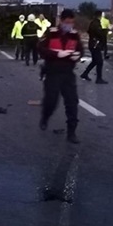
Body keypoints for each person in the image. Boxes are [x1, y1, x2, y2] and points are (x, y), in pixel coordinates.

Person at [39, 9, 84, 144]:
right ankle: (45, 117)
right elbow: (40, 48)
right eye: (66, 22)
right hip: (52, 73)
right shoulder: (51, 32)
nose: (69, 25)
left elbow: (80, 50)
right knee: (51, 101)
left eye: (71, 23)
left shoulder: (74, 35)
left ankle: (72, 132)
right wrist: (56, 54)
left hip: (68, 74)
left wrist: (78, 55)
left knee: (72, 103)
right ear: (61, 21)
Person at [80, 11, 108, 84]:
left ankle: (85, 74)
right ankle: (98, 79)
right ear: (100, 16)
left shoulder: (93, 22)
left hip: (93, 44)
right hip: (95, 44)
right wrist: (104, 32)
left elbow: (89, 31)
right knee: (99, 62)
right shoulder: (96, 23)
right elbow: (99, 34)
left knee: (95, 61)